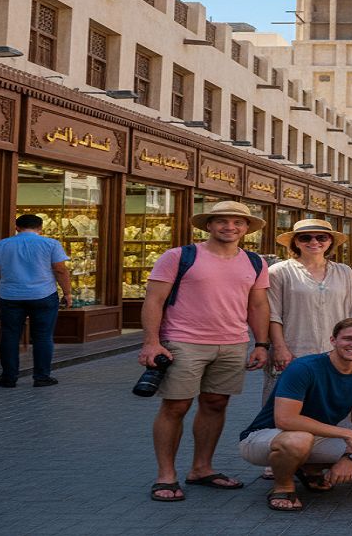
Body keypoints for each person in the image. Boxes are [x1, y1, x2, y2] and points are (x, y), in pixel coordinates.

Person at [138, 200, 271, 502]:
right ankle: (166, 476)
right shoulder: (179, 256)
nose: (230, 227)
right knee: (176, 407)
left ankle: (202, 468)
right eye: (222, 221)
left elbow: (258, 304)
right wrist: (151, 342)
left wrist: (261, 344)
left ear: (246, 228)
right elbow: (154, 300)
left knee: (215, 404)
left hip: (233, 342)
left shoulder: (254, 262)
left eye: (238, 222)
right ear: (208, 225)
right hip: (183, 341)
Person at [238, 318, 352, 512]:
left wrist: (349, 458)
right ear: (333, 340)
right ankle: (283, 487)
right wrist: (347, 434)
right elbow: (285, 419)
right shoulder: (304, 367)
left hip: (316, 437)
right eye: (348, 338)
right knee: (298, 440)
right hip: (266, 436)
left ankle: (310, 469)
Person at [267, 219, 352, 401]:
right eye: (305, 237)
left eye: (321, 237)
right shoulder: (278, 271)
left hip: (336, 350)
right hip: (294, 349)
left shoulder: (344, 271)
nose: (314, 242)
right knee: (288, 406)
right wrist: (279, 348)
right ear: (295, 241)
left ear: (330, 241)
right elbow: (273, 314)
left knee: (332, 404)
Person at [0, 213, 72, 388]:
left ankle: (9, 377)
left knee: (9, 335)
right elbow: (60, 270)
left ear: (16, 227)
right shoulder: (51, 244)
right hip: (43, 295)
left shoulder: (1, 245)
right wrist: (67, 293)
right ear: (40, 228)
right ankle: (41, 377)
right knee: (43, 336)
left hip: (9, 295)